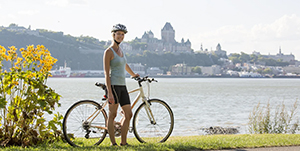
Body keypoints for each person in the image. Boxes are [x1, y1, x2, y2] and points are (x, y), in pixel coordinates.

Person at [103, 23, 139, 146]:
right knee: (112, 115)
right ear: (113, 35)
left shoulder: (121, 51)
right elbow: (107, 74)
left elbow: (125, 65)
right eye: (118, 34)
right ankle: (113, 143)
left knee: (128, 114)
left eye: (122, 34)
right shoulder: (109, 51)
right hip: (113, 86)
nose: (120, 36)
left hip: (123, 86)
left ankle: (123, 142)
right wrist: (109, 92)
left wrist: (133, 75)